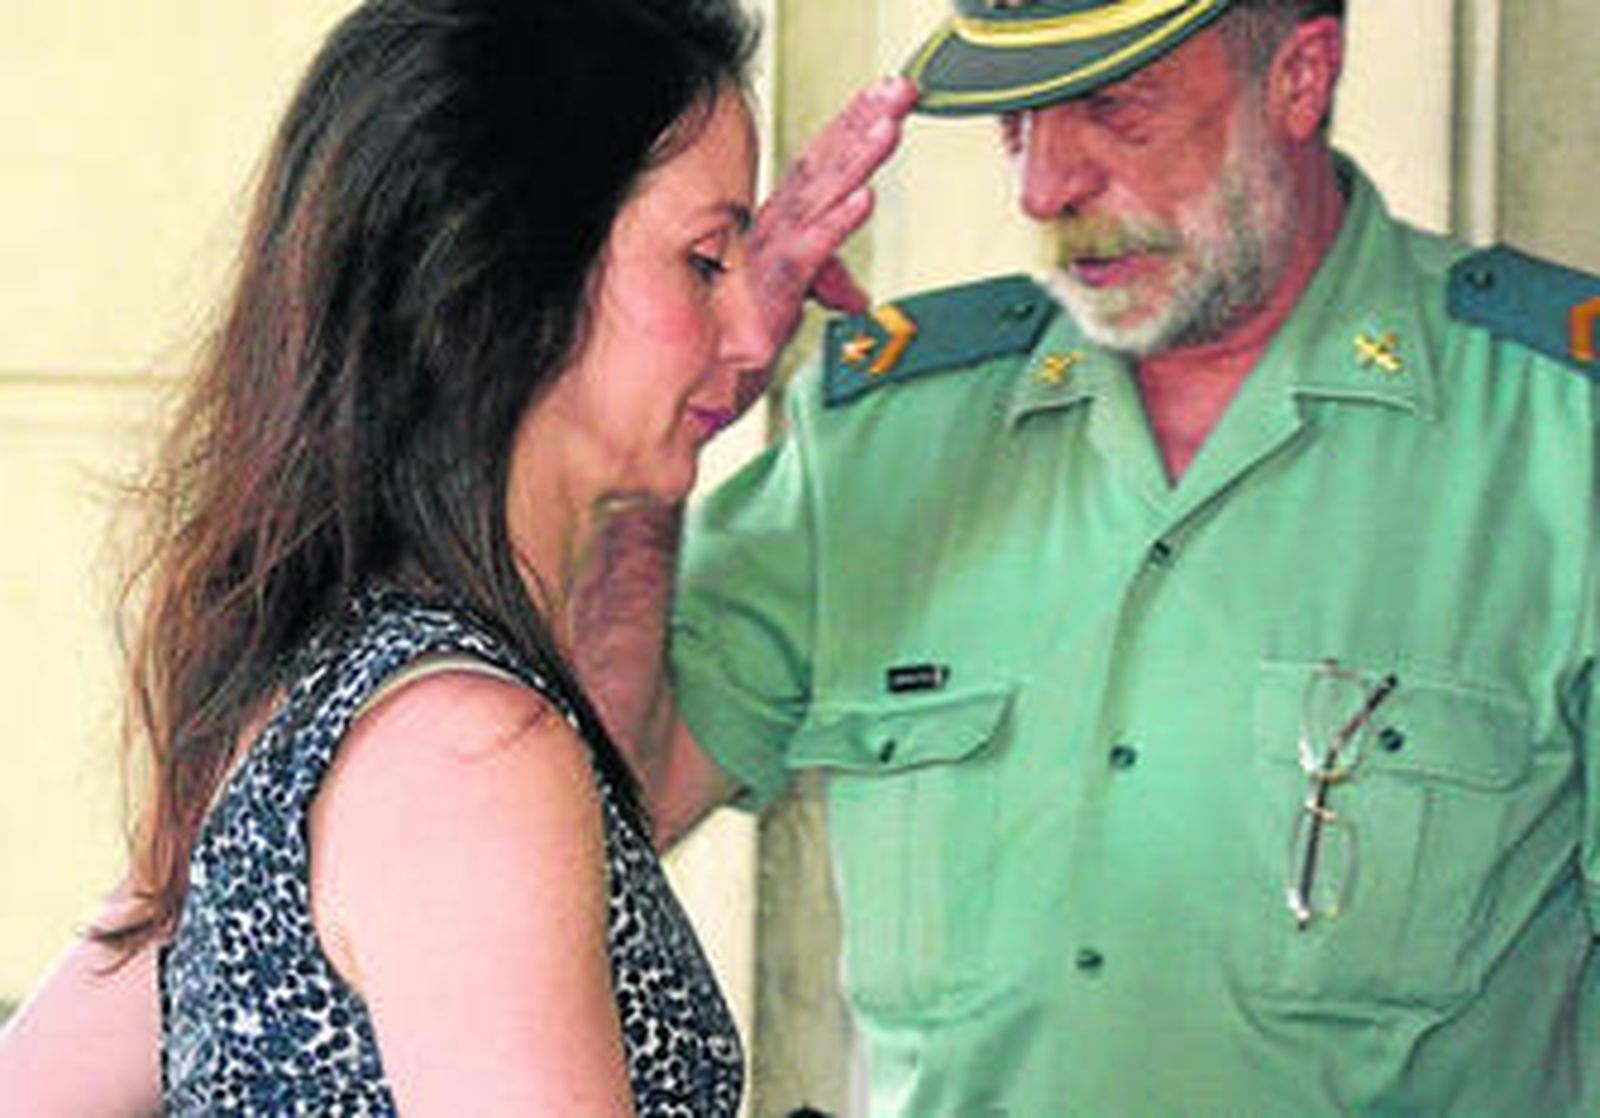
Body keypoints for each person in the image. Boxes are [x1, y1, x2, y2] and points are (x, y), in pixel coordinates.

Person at [576, 0, 1600, 1114]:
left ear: (1299, 79)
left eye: (1111, 108)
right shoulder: (887, 437)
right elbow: (604, 810)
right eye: (1017, 123)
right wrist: (667, 409)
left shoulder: (1556, 440)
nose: (1041, 188)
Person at [0, 1, 911, 1113]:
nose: (757, 333)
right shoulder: (467, 751)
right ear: (513, 259)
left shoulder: (322, 686)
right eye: (705, 259)